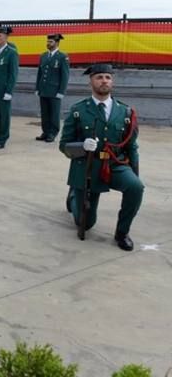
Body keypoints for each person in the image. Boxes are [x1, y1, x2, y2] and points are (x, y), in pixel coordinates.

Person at [59, 64, 143, 251]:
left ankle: (122, 233)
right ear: (91, 82)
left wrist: (135, 173)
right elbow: (64, 145)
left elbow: (131, 146)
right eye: (99, 77)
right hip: (88, 167)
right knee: (86, 223)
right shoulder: (78, 110)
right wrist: (82, 146)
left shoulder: (125, 112)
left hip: (114, 164)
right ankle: (74, 195)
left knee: (136, 188)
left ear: (112, 81)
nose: (104, 81)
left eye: (108, 77)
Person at [35, 33, 70, 142]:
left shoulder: (62, 57)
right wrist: (37, 88)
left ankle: (52, 133)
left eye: (51, 42)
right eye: (48, 42)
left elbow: (65, 75)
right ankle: (45, 132)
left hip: (55, 91)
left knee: (54, 113)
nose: (48, 44)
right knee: (44, 112)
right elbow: (40, 73)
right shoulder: (43, 56)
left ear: (57, 43)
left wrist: (61, 91)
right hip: (43, 89)